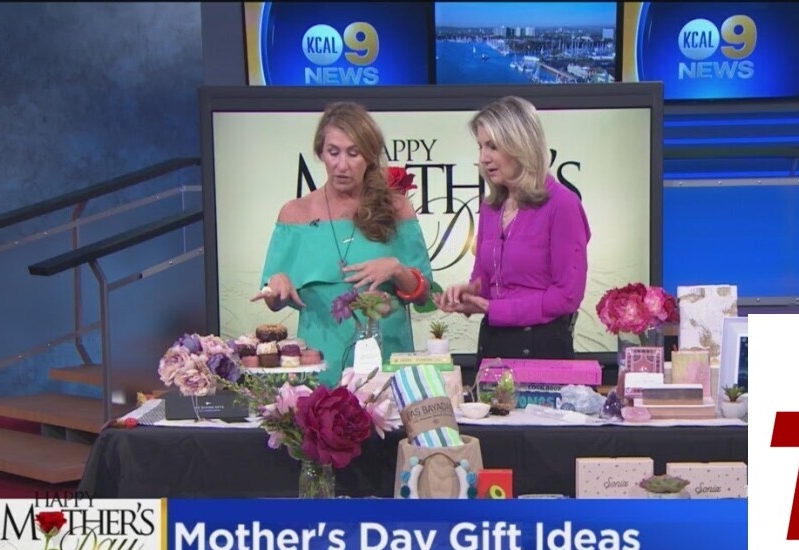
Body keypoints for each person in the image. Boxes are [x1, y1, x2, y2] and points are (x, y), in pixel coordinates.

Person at [252, 102, 433, 385]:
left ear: (370, 156)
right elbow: (273, 300)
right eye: (333, 152)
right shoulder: (294, 215)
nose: (342, 165)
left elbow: (424, 296)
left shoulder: (397, 209)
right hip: (320, 368)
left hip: (386, 368)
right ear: (320, 153)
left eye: (353, 153)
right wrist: (277, 284)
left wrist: (397, 269)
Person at [436, 96, 590, 362]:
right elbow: (485, 281)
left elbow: (567, 296)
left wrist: (496, 309)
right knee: (491, 397)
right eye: (480, 147)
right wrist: (469, 295)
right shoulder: (490, 208)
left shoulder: (563, 204)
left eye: (493, 146)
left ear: (521, 146)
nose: (483, 158)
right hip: (494, 345)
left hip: (543, 350)